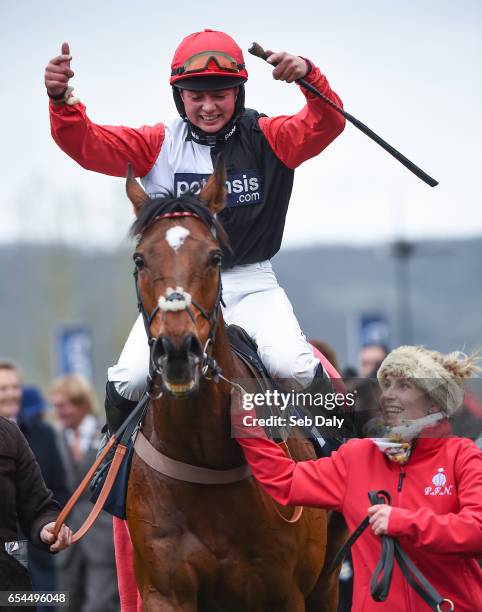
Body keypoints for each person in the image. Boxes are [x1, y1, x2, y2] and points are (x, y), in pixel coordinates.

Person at [44, 29, 346, 432]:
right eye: (195, 95)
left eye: (219, 93)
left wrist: (308, 76)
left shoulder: (271, 137)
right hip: (175, 287)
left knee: (293, 365)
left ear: (238, 93)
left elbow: (327, 122)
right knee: (130, 379)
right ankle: (110, 474)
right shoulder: (156, 144)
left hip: (251, 283)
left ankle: (349, 457)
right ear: (179, 96)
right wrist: (61, 101)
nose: (207, 106)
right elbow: (86, 144)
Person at [234, 346, 482, 611]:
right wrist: (246, 424)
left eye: (404, 386)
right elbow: (286, 480)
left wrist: (402, 521)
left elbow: (476, 530)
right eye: (386, 385)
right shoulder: (358, 456)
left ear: (433, 401)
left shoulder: (462, 455)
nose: (388, 395)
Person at [0, 362, 70, 611]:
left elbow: (40, 502)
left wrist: (49, 525)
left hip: (14, 577)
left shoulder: (13, 435)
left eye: (14, 386)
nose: (11, 393)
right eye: (4, 388)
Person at [50, 375, 119, 612]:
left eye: (64, 405)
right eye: (56, 406)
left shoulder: (109, 435)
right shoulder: (54, 439)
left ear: (82, 404)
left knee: (99, 605)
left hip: (101, 537)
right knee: (65, 604)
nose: (59, 412)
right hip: (66, 540)